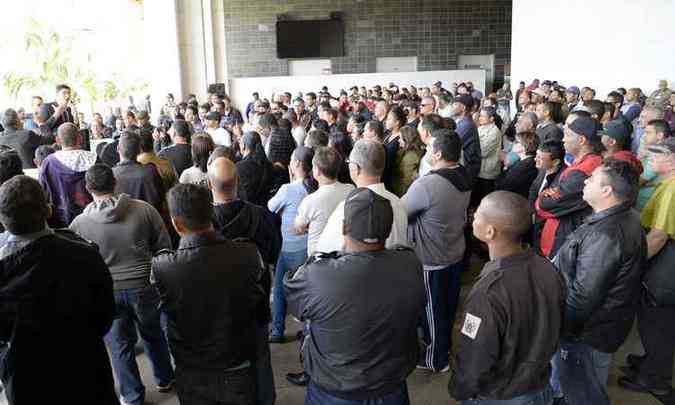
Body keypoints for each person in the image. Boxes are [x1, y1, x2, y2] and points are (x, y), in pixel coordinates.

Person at [285, 187, 425, 405]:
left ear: (343, 227)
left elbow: (294, 305)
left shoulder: (319, 275)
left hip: (335, 392)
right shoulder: (410, 265)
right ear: (388, 230)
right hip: (392, 388)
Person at [0, 175, 119, 404]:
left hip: (27, 379)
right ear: (48, 210)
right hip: (85, 368)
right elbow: (105, 315)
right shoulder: (85, 255)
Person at [70, 164, 174, 405]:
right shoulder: (144, 210)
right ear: (115, 183)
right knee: (153, 334)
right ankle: (165, 377)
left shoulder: (78, 225)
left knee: (119, 346)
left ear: (88, 189)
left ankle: (132, 395)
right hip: (144, 287)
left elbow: (80, 265)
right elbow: (164, 245)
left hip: (107, 293)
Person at [151, 183, 265, 405]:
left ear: (176, 223)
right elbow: (260, 310)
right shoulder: (248, 254)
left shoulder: (163, 266)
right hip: (237, 364)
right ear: (211, 213)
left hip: (192, 369)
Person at [449, 191, 565, 404]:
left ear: (490, 231)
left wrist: (460, 389)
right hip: (539, 387)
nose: (473, 216)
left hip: (500, 395)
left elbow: (476, 356)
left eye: (478, 214)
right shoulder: (548, 268)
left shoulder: (488, 293)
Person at [553, 158, 646, 405]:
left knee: (584, 392)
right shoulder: (622, 218)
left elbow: (583, 296)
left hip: (587, 335)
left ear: (607, 191)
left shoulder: (606, 235)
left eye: (592, 178)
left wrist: (561, 330)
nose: (585, 180)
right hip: (601, 328)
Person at [402, 129, 471, 372]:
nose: (426, 151)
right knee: (447, 307)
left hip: (432, 257)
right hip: (454, 249)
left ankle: (436, 359)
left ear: (439, 153)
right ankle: (444, 347)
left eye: (429, 148)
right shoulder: (463, 174)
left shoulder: (429, 184)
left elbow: (402, 211)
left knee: (433, 312)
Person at [620, 138, 675, 398]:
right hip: (666, 259)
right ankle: (651, 362)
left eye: (658, 154)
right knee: (655, 320)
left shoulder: (674, 187)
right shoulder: (665, 182)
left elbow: (658, 236)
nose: (651, 157)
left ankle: (656, 379)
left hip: (667, 264)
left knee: (657, 321)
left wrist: (634, 267)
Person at [316, 139, 408, 253]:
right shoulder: (399, 204)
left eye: (349, 162)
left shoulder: (346, 210)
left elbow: (324, 250)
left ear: (355, 168)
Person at [535, 115, 603, 258]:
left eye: (567, 135)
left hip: (564, 243)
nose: (563, 139)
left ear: (582, 140)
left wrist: (543, 197)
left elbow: (546, 204)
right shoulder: (584, 163)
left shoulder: (583, 171)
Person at [267, 147, 316, 343]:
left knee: (279, 288)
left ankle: (278, 331)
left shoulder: (287, 189)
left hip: (290, 248)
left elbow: (271, 207)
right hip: (308, 247)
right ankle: (307, 329)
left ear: (295, 164)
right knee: (306, 290)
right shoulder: (313, 187)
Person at [295, 146, 354, 256]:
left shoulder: (310, 201)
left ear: (316, 171)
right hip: (343, 252)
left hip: (319, 256)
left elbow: (298, 228)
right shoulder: (350, 189)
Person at [39, 123, 96, 227]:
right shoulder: (94, 160)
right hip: (92, 218)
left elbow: (43, 194)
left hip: (61, 222)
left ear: (58, 140)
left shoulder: (48, 163)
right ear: (80, 138)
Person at [113, 132, 166, 214]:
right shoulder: (151, 172)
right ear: (140, 150)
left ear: (117, 148)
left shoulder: (110, 175)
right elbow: (161, 201)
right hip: (148, 222)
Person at [530, 140, 565, 252]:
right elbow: (534, 189)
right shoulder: (542, 169)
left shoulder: (562, 181)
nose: (535, 159)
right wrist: (532, 211)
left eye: (540, 158)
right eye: (536, 155)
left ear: (555, 162)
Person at [636, 119, 672, 210]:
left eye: (648, 133)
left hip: (645, 202)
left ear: (659, 135)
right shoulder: (653, 151)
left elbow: (639, 181)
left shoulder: (659, 155)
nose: (644, 136)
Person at [495, 131, 540, 199]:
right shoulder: (525, 161)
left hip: (511, 200)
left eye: (517, 142)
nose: (514, 144)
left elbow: (503, 186)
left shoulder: (524, 167)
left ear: (525, 145)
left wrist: (505, 168)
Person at [236, 131, 275, 206]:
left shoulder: (239, 167)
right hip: (265, 207)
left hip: (248, 210)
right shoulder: (269, 165)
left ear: (243, 146)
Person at [453, 95, 482, 186]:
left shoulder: (466, 125)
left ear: (463, 107)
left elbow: (450, 143)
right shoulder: (461, 121)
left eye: (455, 104)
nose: (452, 106)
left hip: (467, 170)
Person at [475, 107, 503, 205]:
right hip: (479, 169)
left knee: (485, 199)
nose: (480, 118)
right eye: (480, 116)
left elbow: (483, 151)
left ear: (491, 119)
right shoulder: (480, 128)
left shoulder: (494, 131)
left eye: (483, 116)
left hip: (488, 171)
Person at [391, 126, 423, 197]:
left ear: (406, 139)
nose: (398, 140)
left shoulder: (410, 157)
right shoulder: (406, 152)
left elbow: (406, 182)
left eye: (400, 138)